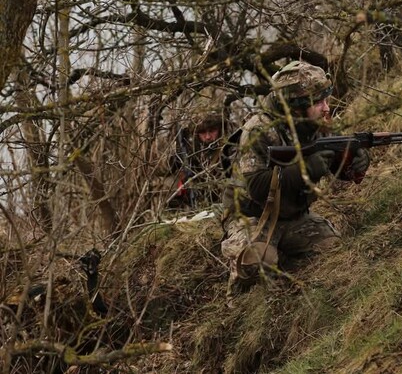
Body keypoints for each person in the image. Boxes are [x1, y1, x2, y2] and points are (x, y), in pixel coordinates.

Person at [220, 60, 370, 301]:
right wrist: (302, 170)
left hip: (293, 215)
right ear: (297, 105)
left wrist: (355, 160)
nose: (326, 108)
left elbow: (334, 161)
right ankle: (237, 295)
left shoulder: (315, 123)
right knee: (259, 261)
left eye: (325, 100)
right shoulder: (259, 129)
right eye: (318, 102)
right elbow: (257, 188)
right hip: (251, 216)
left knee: (332, 248)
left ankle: (282, 250)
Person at [152, 110, 224, 210]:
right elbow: (158, 170)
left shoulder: (227, 144)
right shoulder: (187, 144)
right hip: (191, 185)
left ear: (219, 129)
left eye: (212, 131)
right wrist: (173, 159)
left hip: (217, 186)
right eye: (202, 132)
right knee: (168, 184)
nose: (207, 137)